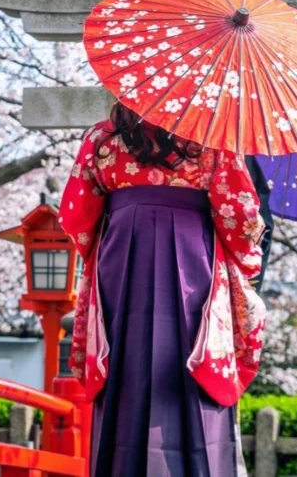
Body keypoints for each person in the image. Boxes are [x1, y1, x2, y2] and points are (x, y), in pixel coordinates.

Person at [59, 103, 267, 477]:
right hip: (193, 262)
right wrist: (246, 258)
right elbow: (241, 216)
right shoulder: (212, 137)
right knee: (194, 356)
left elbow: (76, 216)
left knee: (124, 364)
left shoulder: (102, 138)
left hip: (122, 262)